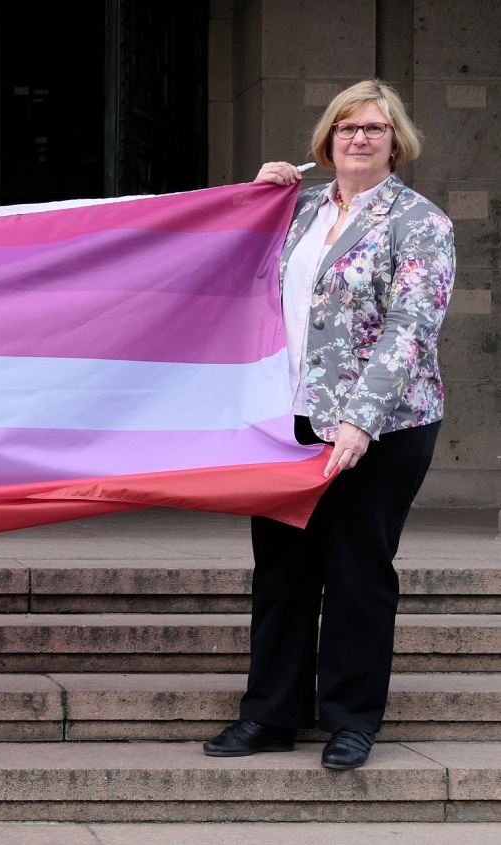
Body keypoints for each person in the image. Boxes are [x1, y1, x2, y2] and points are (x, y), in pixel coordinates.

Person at [202, 80, 454, 770]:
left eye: (375, 128)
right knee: (281, 568)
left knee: (357, 568)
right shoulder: (302, 210)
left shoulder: (421, 222)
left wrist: (360, 421)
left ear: (395, 141)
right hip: (294, 419)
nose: (360, 139)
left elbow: (411, 329)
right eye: (347, 129)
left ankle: (351, 719)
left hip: (388, 425)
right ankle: (270, 713)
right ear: (327, 139)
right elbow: (230, 270)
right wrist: (255, 198)